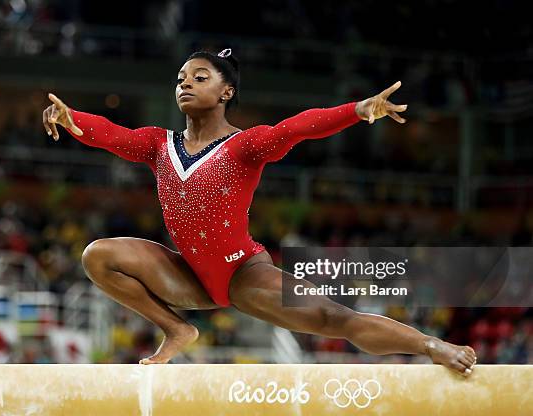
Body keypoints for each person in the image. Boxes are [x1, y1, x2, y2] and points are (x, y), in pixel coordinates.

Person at [42, 48, 476, 374]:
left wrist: (356, 111)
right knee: (98, 255)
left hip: (242, 273)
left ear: (226, 91)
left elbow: (297, 127)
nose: (185, 84)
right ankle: (177, 329)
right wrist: (70, 117)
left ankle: (430, 347)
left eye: (199, 77)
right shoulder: (159, 144)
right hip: (187, 275)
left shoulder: (245, 145)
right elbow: (112, 135)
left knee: (332, 317)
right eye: (180, 79)